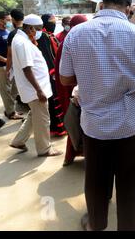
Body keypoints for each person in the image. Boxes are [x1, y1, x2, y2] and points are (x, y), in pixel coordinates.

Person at [60, 0, 135, 231]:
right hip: (132, 126)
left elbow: (66, 79)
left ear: (101, 6)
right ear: (129, 10)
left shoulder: (75, 34)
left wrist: (92, 77)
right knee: (129, 184)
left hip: (95, 128)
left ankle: (95, 225)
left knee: (96, 181)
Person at [9, 14, 62, 157]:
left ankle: (18, 141)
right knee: (43, 119)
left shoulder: (23, 40)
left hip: (35, 89)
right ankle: (44, 148)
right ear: (30, 28)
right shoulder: (22, 43)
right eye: (38, 29)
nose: (40, 32)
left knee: (34, 116)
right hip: (35, 90)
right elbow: (27, 69)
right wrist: (39, 90)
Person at [54, 14, 88, 166]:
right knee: (75, 120)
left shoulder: (77, 40)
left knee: (80, 122)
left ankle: (73, 154)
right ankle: (76, 154)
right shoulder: (68, 42)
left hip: (76, 87)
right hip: (70, 89)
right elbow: (65, 74)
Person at [0, 11, 22, 120]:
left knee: (14, 89)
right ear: (1, 21)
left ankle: (10, 109)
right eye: (8, 20)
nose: (10, 21)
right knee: (5, 91)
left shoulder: (7, 31)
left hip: (10, 66)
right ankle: (11, 113)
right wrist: (5, 60)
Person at [39, 14, 66, 137]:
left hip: (56, 71)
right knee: (55, 100)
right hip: (51, 74)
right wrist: (53, 72)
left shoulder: (50, 35)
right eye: (51, 21)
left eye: (55, 21)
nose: (54, 24)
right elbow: (48, 56)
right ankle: (58, 128)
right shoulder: (43, 36)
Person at [6, 9, 29, 113]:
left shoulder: (13, 34)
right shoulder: (28, 30)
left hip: (19, 68)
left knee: (20, 91)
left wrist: (7, 69)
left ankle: (24, 113)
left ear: (13, 20)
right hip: (29, 65)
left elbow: (10, 54)